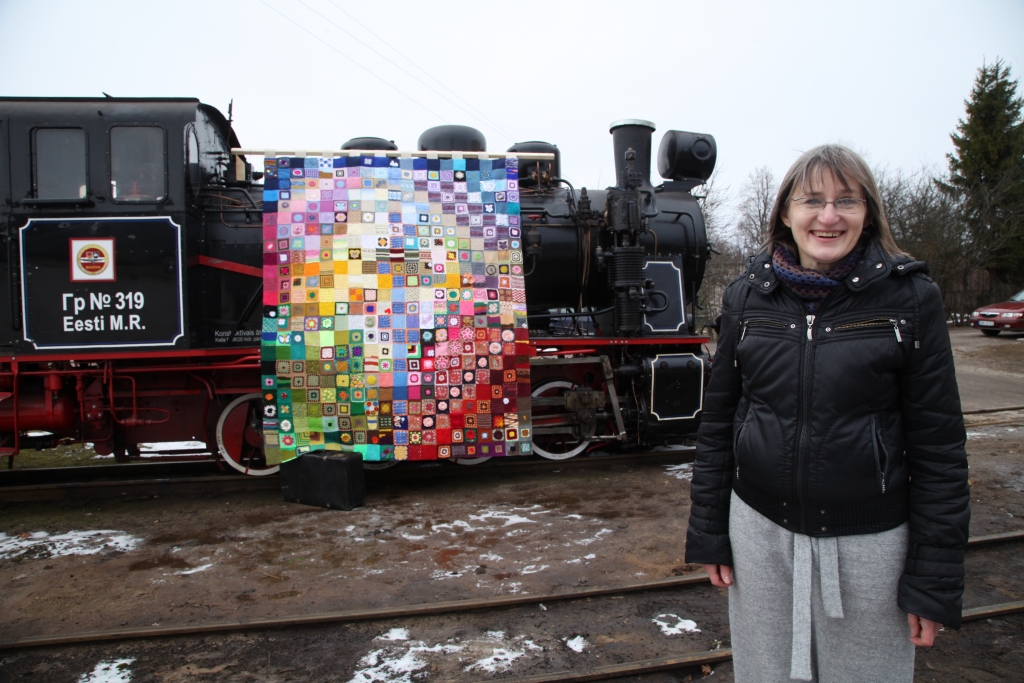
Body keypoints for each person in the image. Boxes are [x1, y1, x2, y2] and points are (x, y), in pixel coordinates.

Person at [685, 144, 969, 682]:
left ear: (869, 214)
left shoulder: (912, 298)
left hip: (870, 547)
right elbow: (719, 425)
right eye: (812, 200)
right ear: (786, 214)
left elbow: (940, 449)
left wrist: (933, 582)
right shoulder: (747, 297)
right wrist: (709, 534)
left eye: (847, 200)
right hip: (760, 537)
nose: (829, 215)